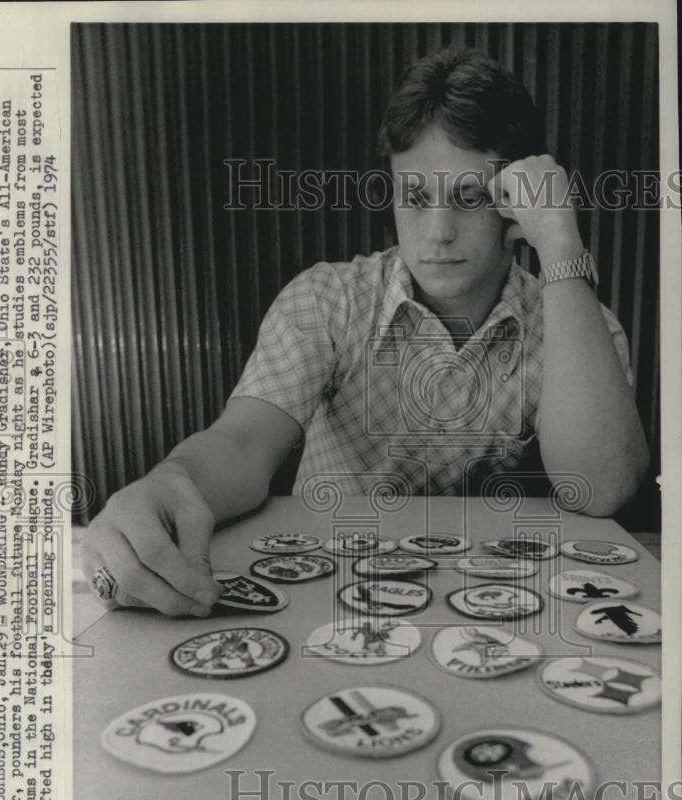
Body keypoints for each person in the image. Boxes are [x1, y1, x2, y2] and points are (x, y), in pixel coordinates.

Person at [81, 48, 649, 617]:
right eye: (415, 197)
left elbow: (601, 487)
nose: (438, 234)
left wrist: (560, 246)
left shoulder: (578, 324)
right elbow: (241, 444)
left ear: (518, 202)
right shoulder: (327, 298)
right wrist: (171, 483)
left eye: (470, 197)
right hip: (324, 599)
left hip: (484, 601)